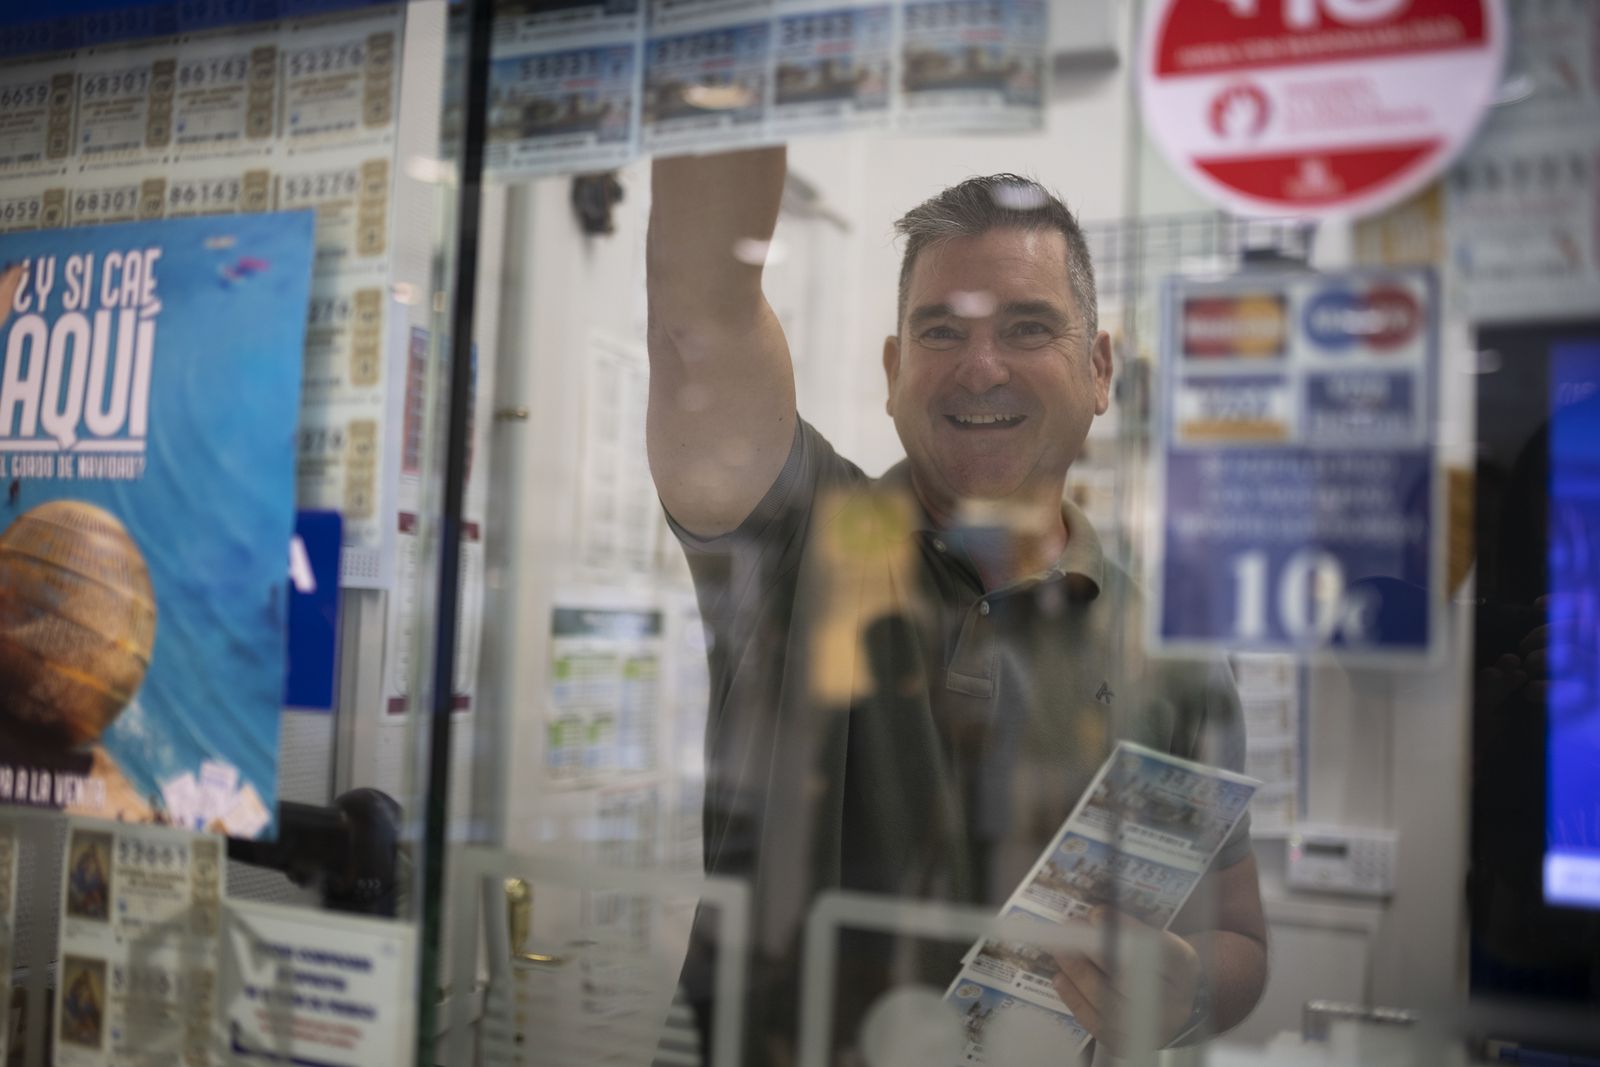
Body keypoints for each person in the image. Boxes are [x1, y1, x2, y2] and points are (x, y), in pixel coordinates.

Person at [647, 146, 1267, 1064]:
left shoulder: (1171, 641)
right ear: (894, 372)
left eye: (1027, 327)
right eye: (940, 332)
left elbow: (1241, 939)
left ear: (1100, 370)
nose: (981, 367)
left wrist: (1186, 983)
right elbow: (700, 319)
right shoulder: (795, 536)